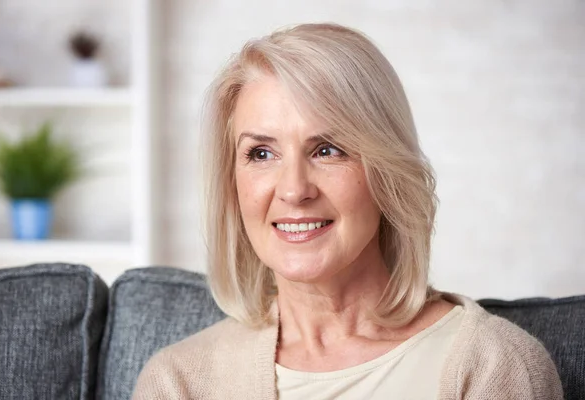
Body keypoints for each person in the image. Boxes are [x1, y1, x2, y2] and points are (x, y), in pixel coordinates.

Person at [132, 23, 562, 399]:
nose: (294, 189)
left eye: (327, 149)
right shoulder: (179, 383)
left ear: (386, 171)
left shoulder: (494, 367)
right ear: (233, 183)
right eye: (261, 153)